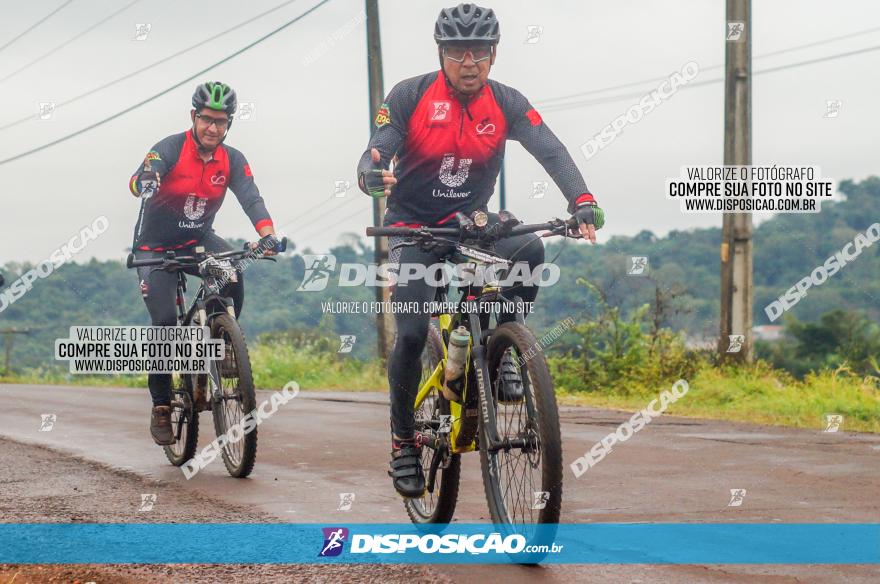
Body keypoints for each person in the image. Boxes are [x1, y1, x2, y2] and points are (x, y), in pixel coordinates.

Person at [356, 4, 606, 497]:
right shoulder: (410, 94)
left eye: (478, 52)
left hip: (472, 227)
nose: (468, 62)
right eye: (456, 51)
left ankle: (501, 351)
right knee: (409, 333)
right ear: (441, 53)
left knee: (529, 248)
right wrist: (370, 169)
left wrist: (581, 200)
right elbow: (379, 143)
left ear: (493, 55)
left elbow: (549, 147)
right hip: (412, 230)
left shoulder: (507, 102)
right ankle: (403, 441)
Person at [129, 81, 278, 446]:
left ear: (229, 124)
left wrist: (268, 234)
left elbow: (251, 198)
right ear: (193, 117)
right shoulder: (169, 148)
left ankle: (223, 340)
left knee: (232, 272)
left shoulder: (233, 159)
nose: (213, 128)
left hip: (197, 240)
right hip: (154, 248)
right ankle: (162, 405)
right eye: (207, 120)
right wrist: (147, 179)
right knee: (165, 324)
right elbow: (137, 181)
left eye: (221, 122)